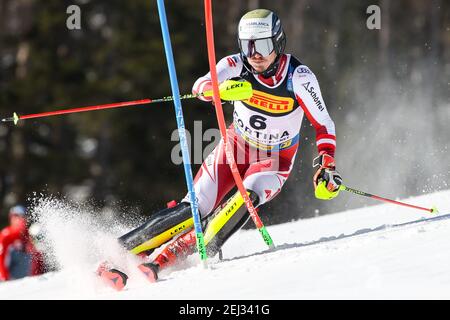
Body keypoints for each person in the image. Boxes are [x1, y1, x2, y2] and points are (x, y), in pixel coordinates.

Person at [97, 8, 342, 290]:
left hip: (275, 160)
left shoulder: (299, 77)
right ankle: (115, 255)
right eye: (248, 46)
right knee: (192, 211)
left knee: (244, 198)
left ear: (278, 43)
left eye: (262, 45)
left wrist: (327, 165)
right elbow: (201, 86)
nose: (255, 54)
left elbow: (324, 124)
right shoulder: (236, 65)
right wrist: (222, 89)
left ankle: (162, 260)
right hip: (235, 148)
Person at [0, 205, 45, 281]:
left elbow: (38, 259)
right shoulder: (6, 235)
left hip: (31, 282)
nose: (22, 219)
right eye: (17, 216)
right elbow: (1, 260)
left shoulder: (30, 234)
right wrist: (5, 279)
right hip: (11, 282)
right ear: (11, 218)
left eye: (24, 216)